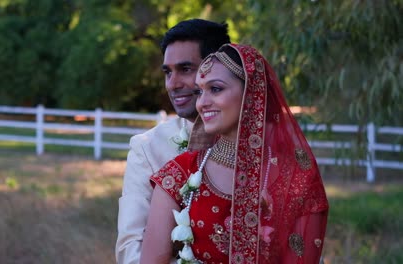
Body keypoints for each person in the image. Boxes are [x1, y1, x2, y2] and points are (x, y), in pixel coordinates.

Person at [141, 43, 329, 263]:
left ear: (252, 93)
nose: (202, 103)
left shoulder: (295, 177)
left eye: (216, 89)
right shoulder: (179, 174)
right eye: (200, 91)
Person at [115, 19, 231, 264]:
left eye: (186, 69)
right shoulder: (148, 147)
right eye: (168, 72)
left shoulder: (263, 148)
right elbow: (131, 251)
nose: (173, 84)